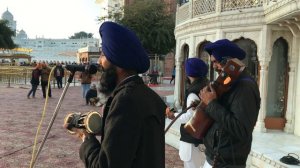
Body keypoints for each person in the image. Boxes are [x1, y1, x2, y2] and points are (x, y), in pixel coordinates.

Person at [64, 21, 166, 168]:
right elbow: (131, 140)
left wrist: (86, 139)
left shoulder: (125, 101)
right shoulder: (150, 96)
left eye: (103, 54)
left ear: (118, 62)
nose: (99, 61)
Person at [199, 39, 261, 168]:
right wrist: (205, 103)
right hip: (216, 158)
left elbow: (241, 129)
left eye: (216, 62)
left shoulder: (244, 87)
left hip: (227, 162)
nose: (214, 66)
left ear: (228, 61)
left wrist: (211, 104)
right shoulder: (228, 82)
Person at [166, 58, 209, 168]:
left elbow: (189, 117)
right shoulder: (206, 85)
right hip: (202, 137)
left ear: (189, 72)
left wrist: (172, 115)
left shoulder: (193, 92)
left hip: (192, 141)